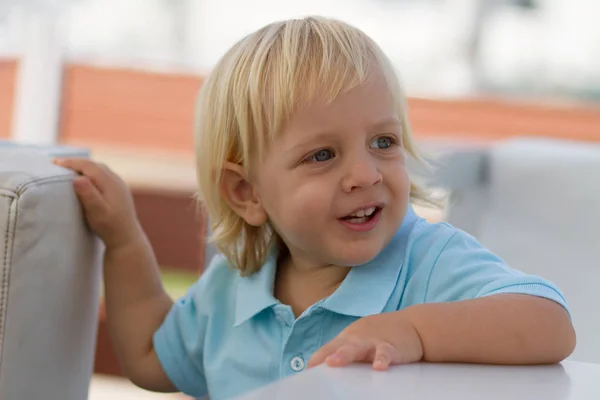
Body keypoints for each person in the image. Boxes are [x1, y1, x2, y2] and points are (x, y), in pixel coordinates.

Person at [54, 16, 575, 400]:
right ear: (247, 194)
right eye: (322, 155)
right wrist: (123, 241)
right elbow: (149, 359)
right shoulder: (233, 288)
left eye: (383, 142)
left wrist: (413, 332)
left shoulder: (429, 263)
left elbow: (550, 323)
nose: (365, 174)